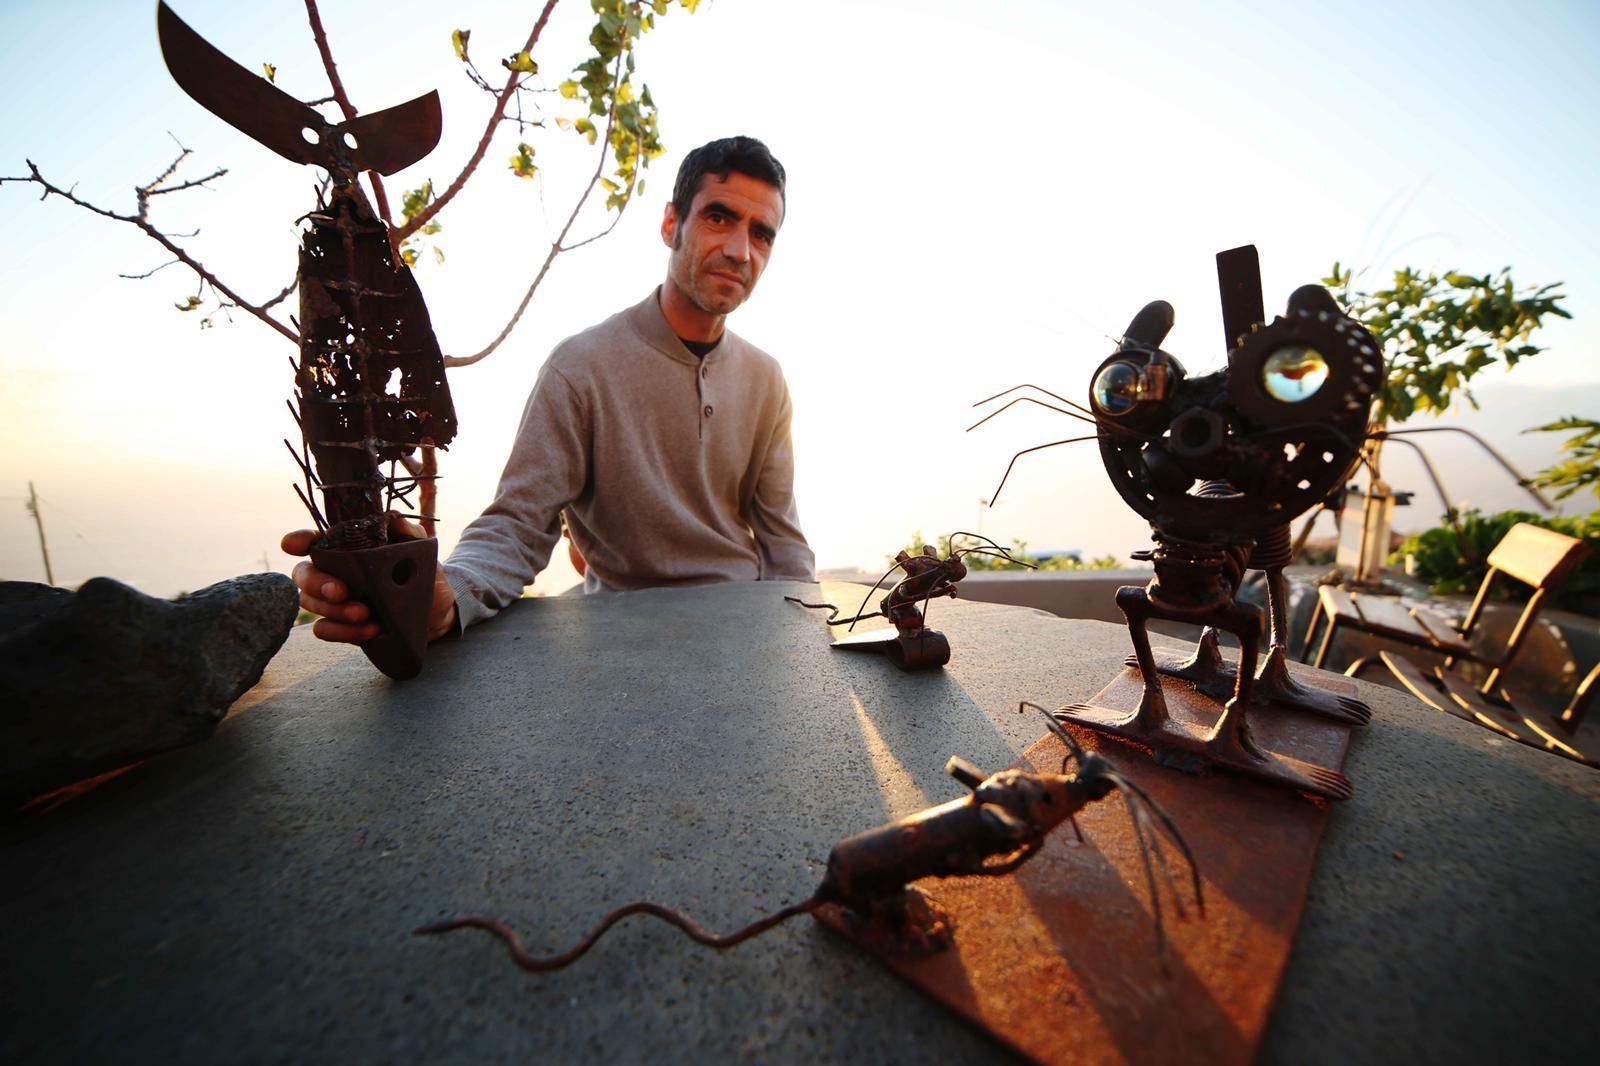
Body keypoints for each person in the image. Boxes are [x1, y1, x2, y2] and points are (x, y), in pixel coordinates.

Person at [283, 135, 815, 646]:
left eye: (762, 233)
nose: (741, 250)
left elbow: (783, 541)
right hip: (627, 639)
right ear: (672, 222)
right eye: (719, 216)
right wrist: (445, 595)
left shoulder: (766, 378)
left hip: (749, 630)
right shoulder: (581, 367)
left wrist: (808, 647)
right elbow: (519, 521)